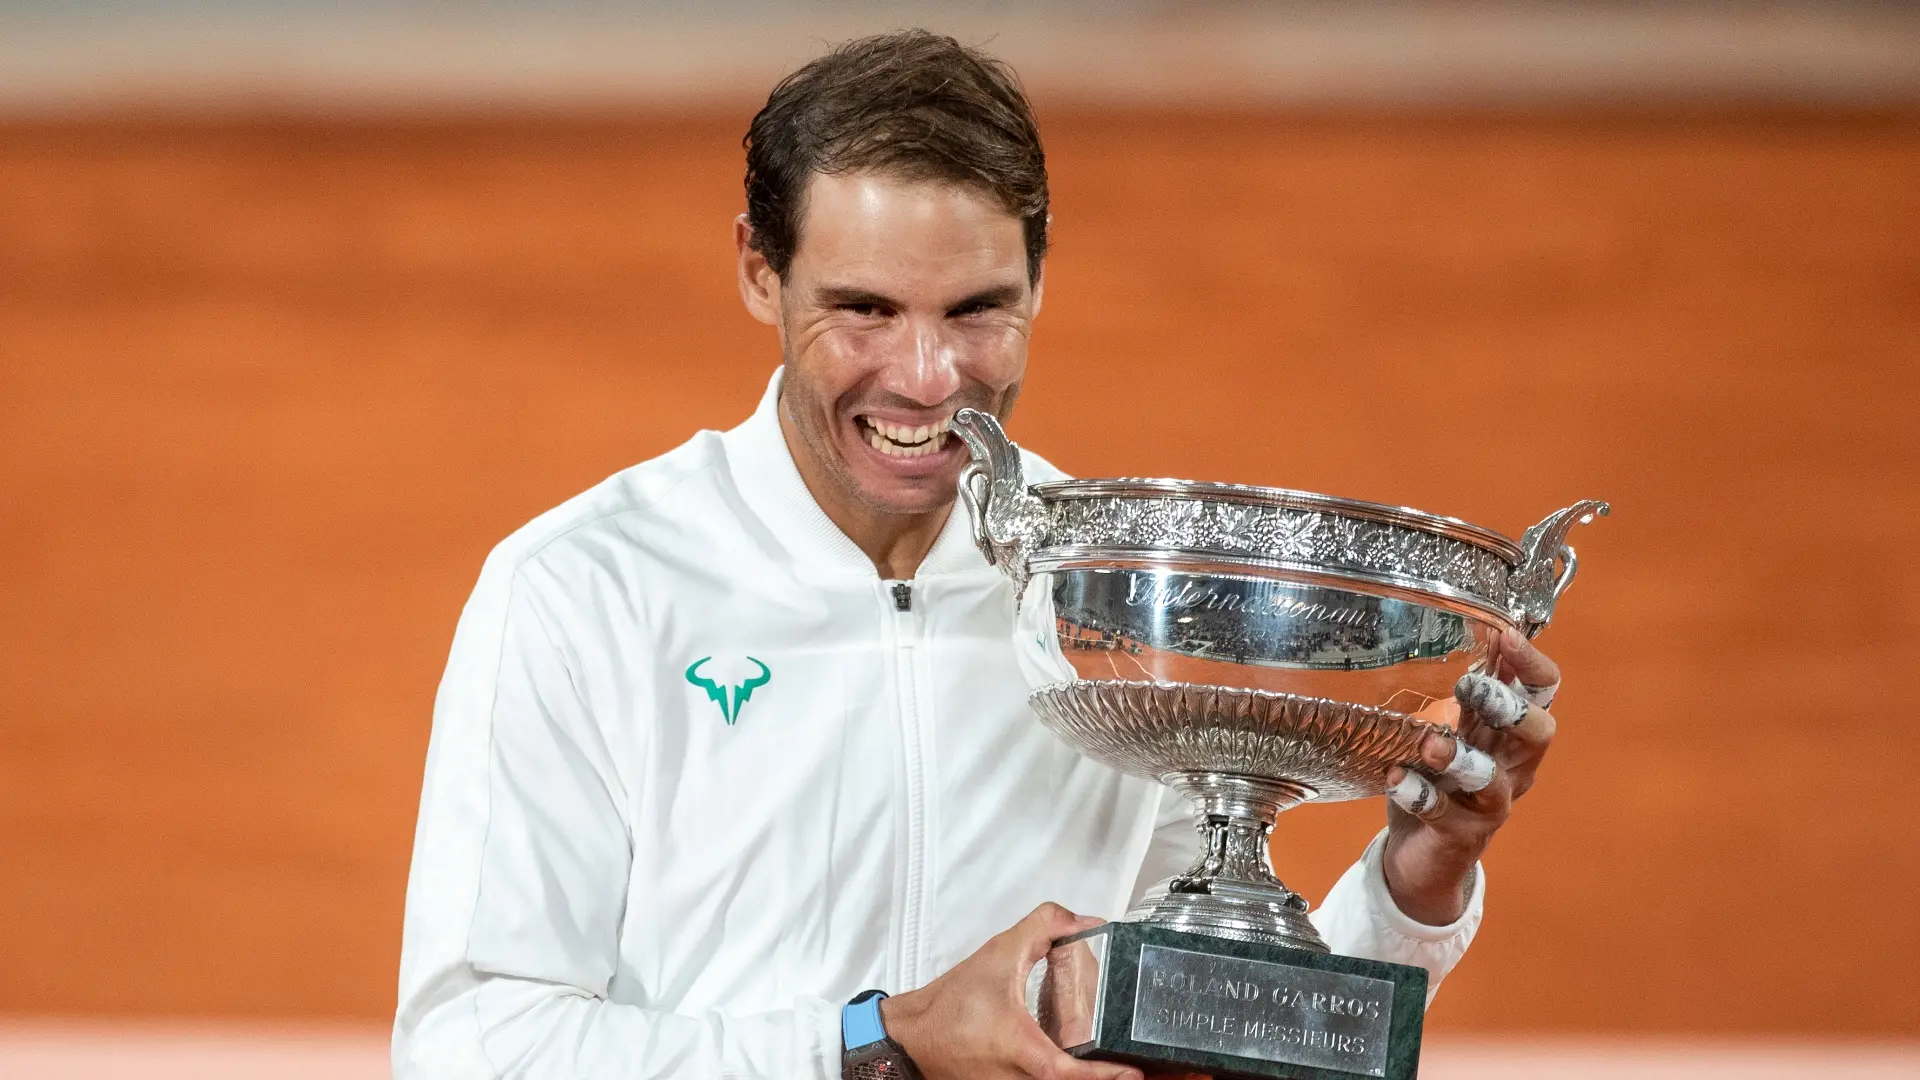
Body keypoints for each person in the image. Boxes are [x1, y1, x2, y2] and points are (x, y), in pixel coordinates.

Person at [393, 30, 1566, 1080]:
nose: (925, 379)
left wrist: (1414, 887)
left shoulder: (1112, 586)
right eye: (862, 308)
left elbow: (1202, 1023)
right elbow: (471, 1050)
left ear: (1042, 280)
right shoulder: (584, 591)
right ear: (761, 270)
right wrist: (874, 1044)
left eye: (975, 310)